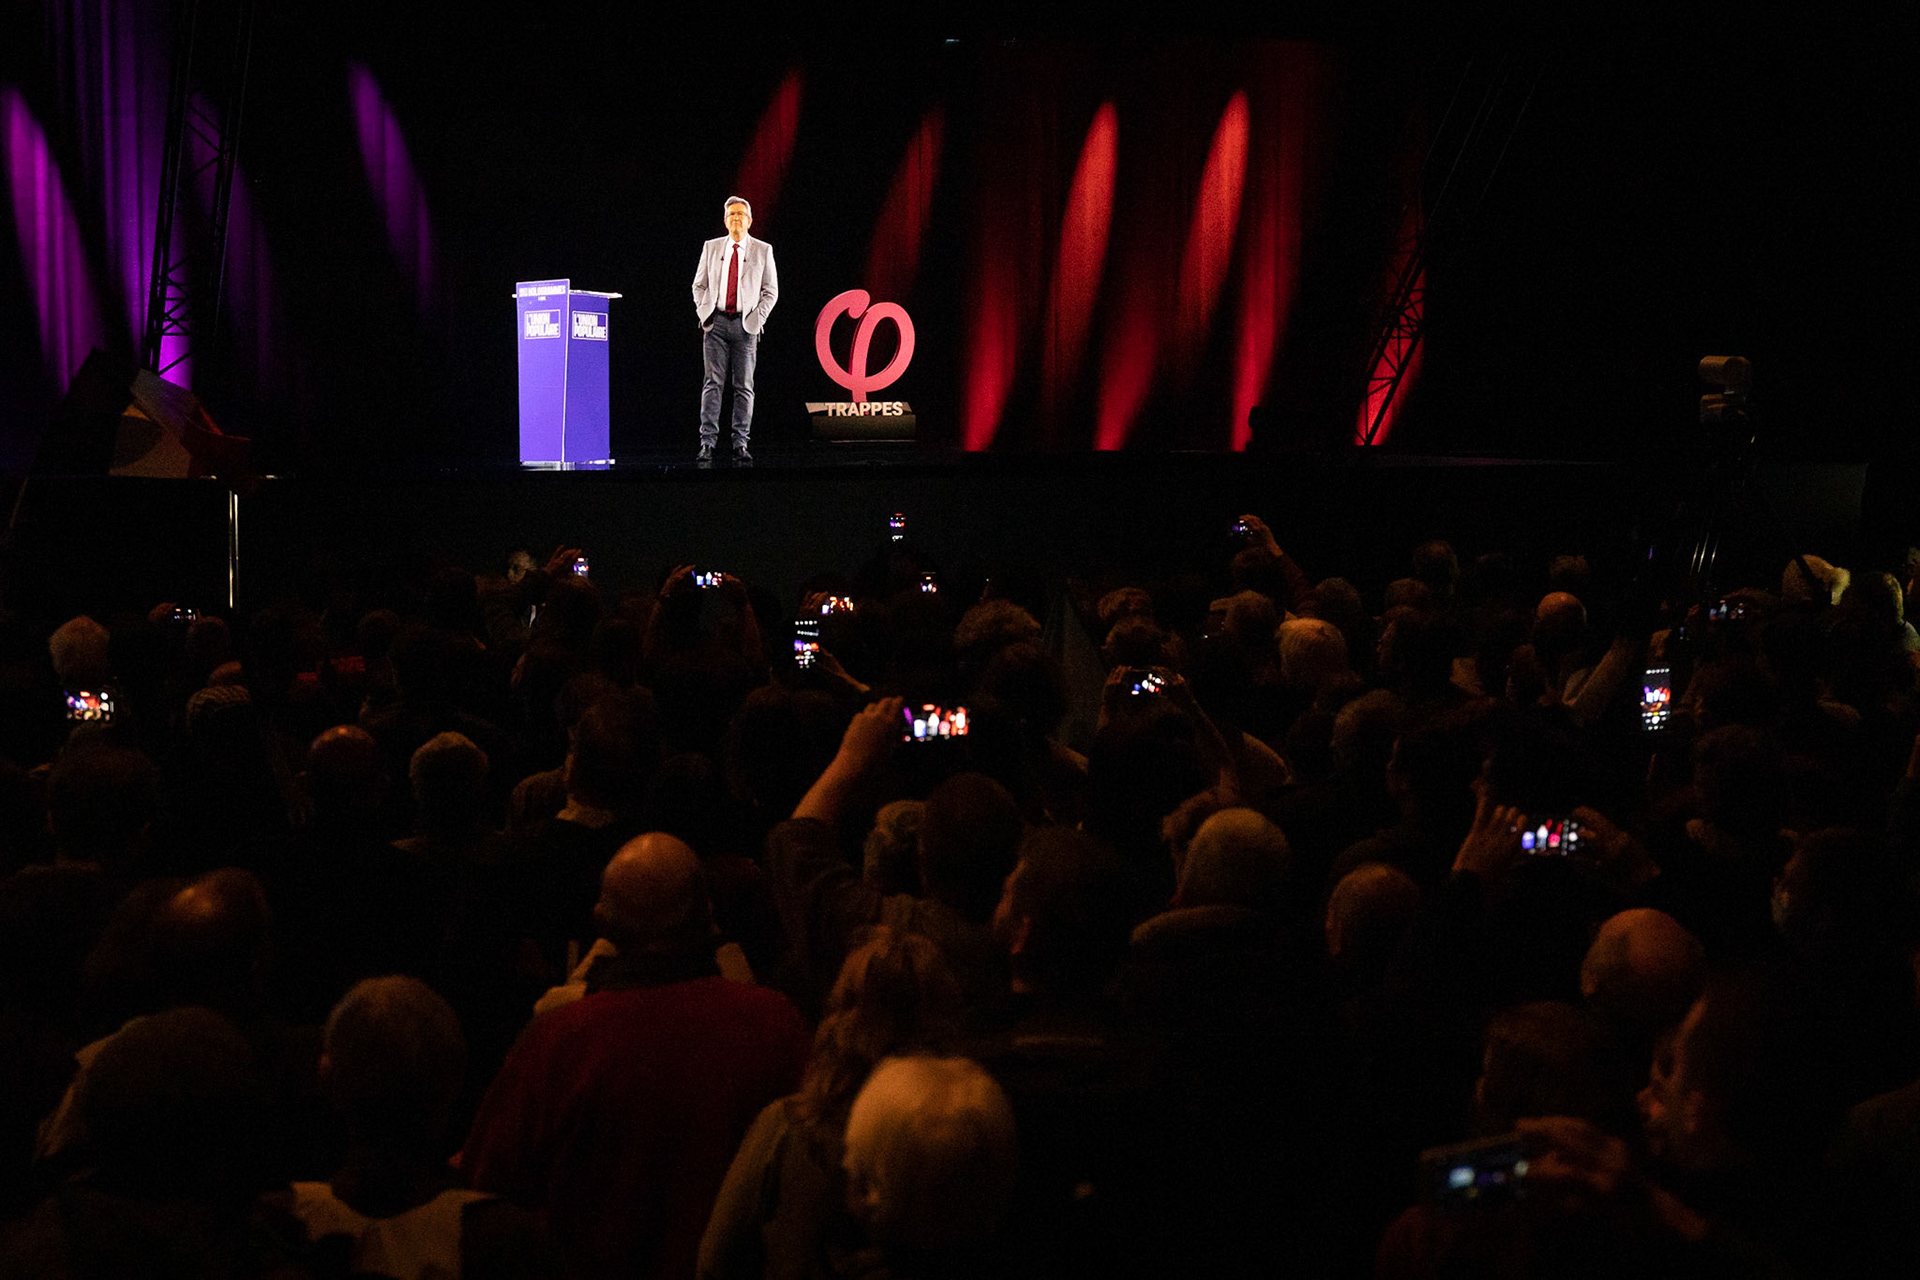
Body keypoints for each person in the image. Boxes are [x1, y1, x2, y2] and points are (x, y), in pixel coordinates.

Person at [459, 831, 809, 1280]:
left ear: (602, 922)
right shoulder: (775, 1023)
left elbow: (488, 1180)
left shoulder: (560, 1040)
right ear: (708, 915)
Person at [692, 196, 779, 465]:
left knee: (744, 386)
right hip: (716, 324)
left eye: (741, 214)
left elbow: (771, 291)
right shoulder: (712, 247)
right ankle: (707, 443)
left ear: (750, 220)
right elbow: (699, 285)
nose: (736, 218)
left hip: (746, 327)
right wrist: (704, 310)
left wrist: (757, 318)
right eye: (731, 215)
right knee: (712, 384)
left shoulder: (763, 250)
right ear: (725, 220)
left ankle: (740, 443)